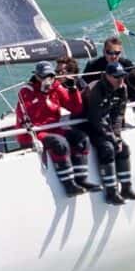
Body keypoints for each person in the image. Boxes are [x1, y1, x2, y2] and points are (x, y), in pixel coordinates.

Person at [15, 61, 98, 196]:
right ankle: (69, 185)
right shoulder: (26, 91)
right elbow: (30, 117)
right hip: (34, 133)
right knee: (60, 143)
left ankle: (81, 179)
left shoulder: (56, 87)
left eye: (51, 76)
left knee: (81, 138)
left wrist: (73, 90)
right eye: (44, 76)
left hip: (53, 128)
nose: (48, 80)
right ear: (37, 76)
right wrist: (43, 94)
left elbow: (76, 108)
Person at [87, 61, 135, 205]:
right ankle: (111, 193)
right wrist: (112, 138)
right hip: (88, 125)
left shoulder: (122, 88)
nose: (120, 79)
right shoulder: (96, 90)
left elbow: (118, 115)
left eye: (122, 76)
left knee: (124, 148)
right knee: (107, 148)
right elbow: (95, 118)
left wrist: (117, 136)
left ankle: (126, 189)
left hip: (106, 125)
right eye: (116, 76)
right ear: (107, 76)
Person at [55, 55, 96, 188]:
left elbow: (80, 108)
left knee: (81, 139)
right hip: (70, 122)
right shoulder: (56, 86)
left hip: (82, 121)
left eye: (61, 72)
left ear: (71, 73)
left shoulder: (79, 84)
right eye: (56, 71)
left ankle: (80, 178)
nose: (57, 75)